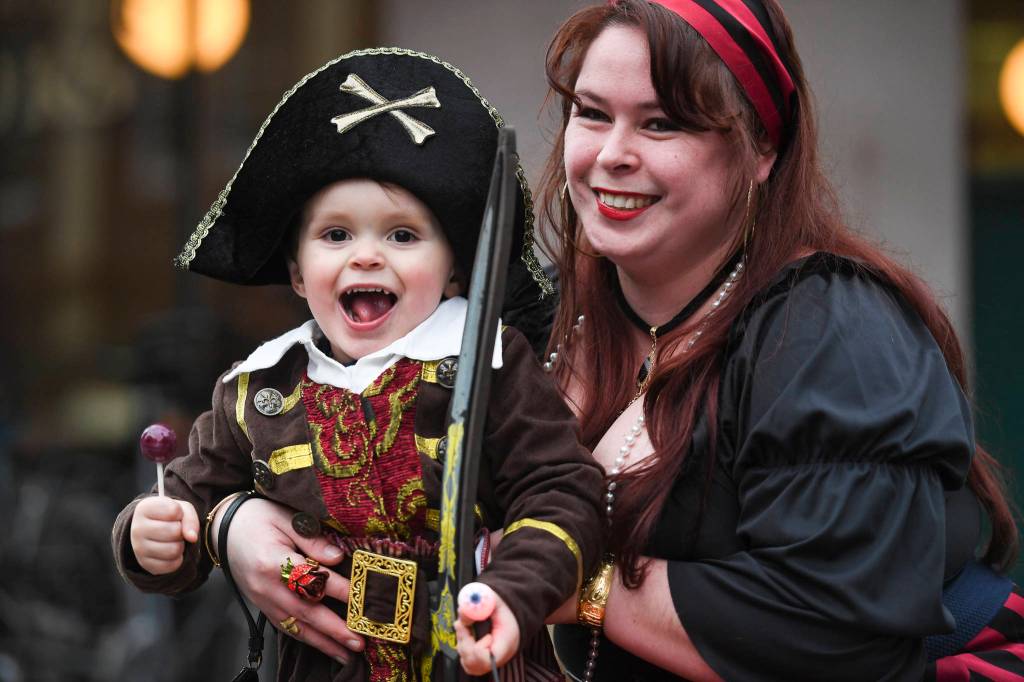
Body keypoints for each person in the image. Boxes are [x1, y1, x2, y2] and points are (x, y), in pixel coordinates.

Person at [214, 2, 1024, 681]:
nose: (612, 156)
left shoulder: (831, 332)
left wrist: (573, 580)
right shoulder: (531, 322)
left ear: (761, 151)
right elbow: (358, 464)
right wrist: (239, 526)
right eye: (592, 113)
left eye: (662, 123)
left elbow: (835, 628)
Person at [111, 48, 603, 682]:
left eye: (402, 235)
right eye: (336, 235)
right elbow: (185, 501)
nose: (366, 256)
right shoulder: (260, 387)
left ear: (454, 271)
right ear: (297, 271)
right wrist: (148, 536)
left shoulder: (492, 363)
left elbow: (562, 491)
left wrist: (511, 591)